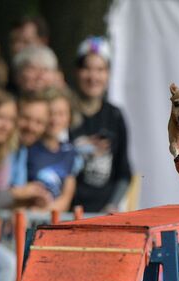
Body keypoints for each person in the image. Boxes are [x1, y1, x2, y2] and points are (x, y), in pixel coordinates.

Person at [70, 36, 132, 212]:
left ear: (108, 74)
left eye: (100, 69)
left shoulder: (115, 115)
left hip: (102, 215)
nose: (93, 77)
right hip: (65, 215)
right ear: (76, 71)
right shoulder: (63, 112)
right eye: (87, 69)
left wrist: (112, 205)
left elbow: (124, 172)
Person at [27, 87, 81, 212]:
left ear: (69, 118)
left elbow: (66, 198)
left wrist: (42, 213)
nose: (55, 120)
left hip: (52, 221)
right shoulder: (28, 148)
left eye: (61, 114)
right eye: (50, 113)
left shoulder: (70, 153)